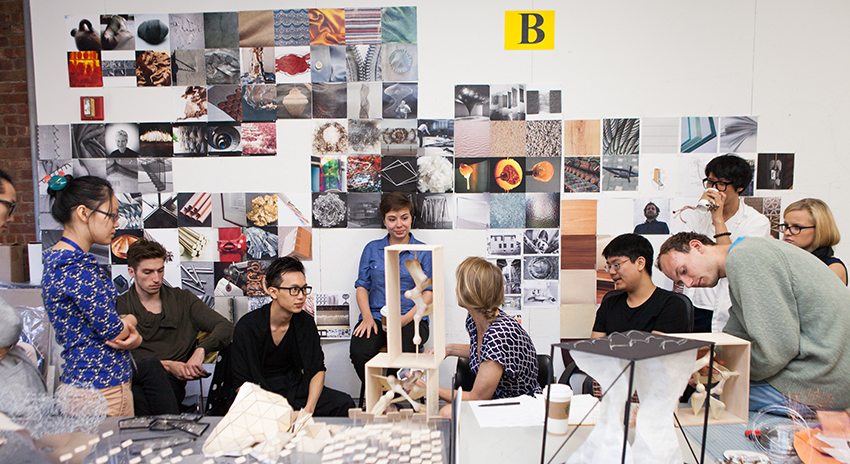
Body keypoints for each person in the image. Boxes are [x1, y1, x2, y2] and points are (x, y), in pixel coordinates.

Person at [656, 232, 850, 413]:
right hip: (827, 372)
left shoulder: (746, 259)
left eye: (684, 270)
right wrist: (706, 364)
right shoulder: (747, 254)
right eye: (681, 281)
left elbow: (776, 351)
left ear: (697, 246)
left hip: (823, 381)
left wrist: (720, 371)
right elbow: (735, 336)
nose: (688, 283)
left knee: (703, 405)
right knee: (710, 390)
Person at [41, 175, 141, 416]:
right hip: (102, 391)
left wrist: (126, 328)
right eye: (112, 215)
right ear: (84, 213)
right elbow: (115, 332)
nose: (116, 224)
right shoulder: (77, 268)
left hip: (84, 385)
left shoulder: (59, 261)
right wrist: (131, 322)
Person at [117, 238, 233, 415]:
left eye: (160, 270)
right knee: (148, 369)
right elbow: (117, 359)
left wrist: (201, 350)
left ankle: (164, 431)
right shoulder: (120, 305)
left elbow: (225, 326)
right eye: (147, 272)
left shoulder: (183, 300)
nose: (156, 279)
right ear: (131, 272)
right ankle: (171, 429)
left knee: (139, 397)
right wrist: (168, 365)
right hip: (130, 381)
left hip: (167, 388)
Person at [231, 257, 354, 416]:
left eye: (304, 289)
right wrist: (275, 412)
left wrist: (308, 410)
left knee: (344, 403)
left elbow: (317, 370)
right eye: (294, 290)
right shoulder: (248, 327)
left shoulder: (305, 322)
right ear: (273, 292)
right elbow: (241, 385)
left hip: (295, 389)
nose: (301, 296)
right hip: (260, 395)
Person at [436, 257, 540, 418]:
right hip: (497, 400)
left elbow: (478, 398)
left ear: (469, 292)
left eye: (459, 284)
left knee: (446, 413)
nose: (456, 289)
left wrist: (429, 388)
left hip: (521, 405)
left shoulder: (499, 334)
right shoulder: (474, 320)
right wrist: (449, 349)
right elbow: (484, 352)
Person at [350, 192, 431, 386]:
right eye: (392, 219)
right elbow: (362, 286)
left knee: (401, 353)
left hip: (412, 317)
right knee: (359, 352)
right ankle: (379, 395)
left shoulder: (424, 250)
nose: (399, 225)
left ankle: (390, 399)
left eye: (404, 218)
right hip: (377, 316)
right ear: (384, 221)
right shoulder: (372, 248)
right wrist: (367, 317)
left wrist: (404, 320)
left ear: (411, 218)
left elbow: (428, 293)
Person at [681, 154, 770, 332]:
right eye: (710, 182)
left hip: (727, 308)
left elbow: (734, 262)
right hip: (695, 302)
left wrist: (718, 219)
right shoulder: (700, 214)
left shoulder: (756, 222)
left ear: (740, 187)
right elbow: (682, 251)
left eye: (721, 184)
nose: (713, 189)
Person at [592, 234, 690, 338]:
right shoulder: (609, 302)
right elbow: (594, 348)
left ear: (640, 263)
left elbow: (655, 349)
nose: (611, 272)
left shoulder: (672, 304)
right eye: (609, 266)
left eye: (616, 265)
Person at [782, 198, 847, 285]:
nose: (787, 232)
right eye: (786, 226)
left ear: (820, 229)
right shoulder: (788, 261)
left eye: (797, 227)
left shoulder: (833, 268)